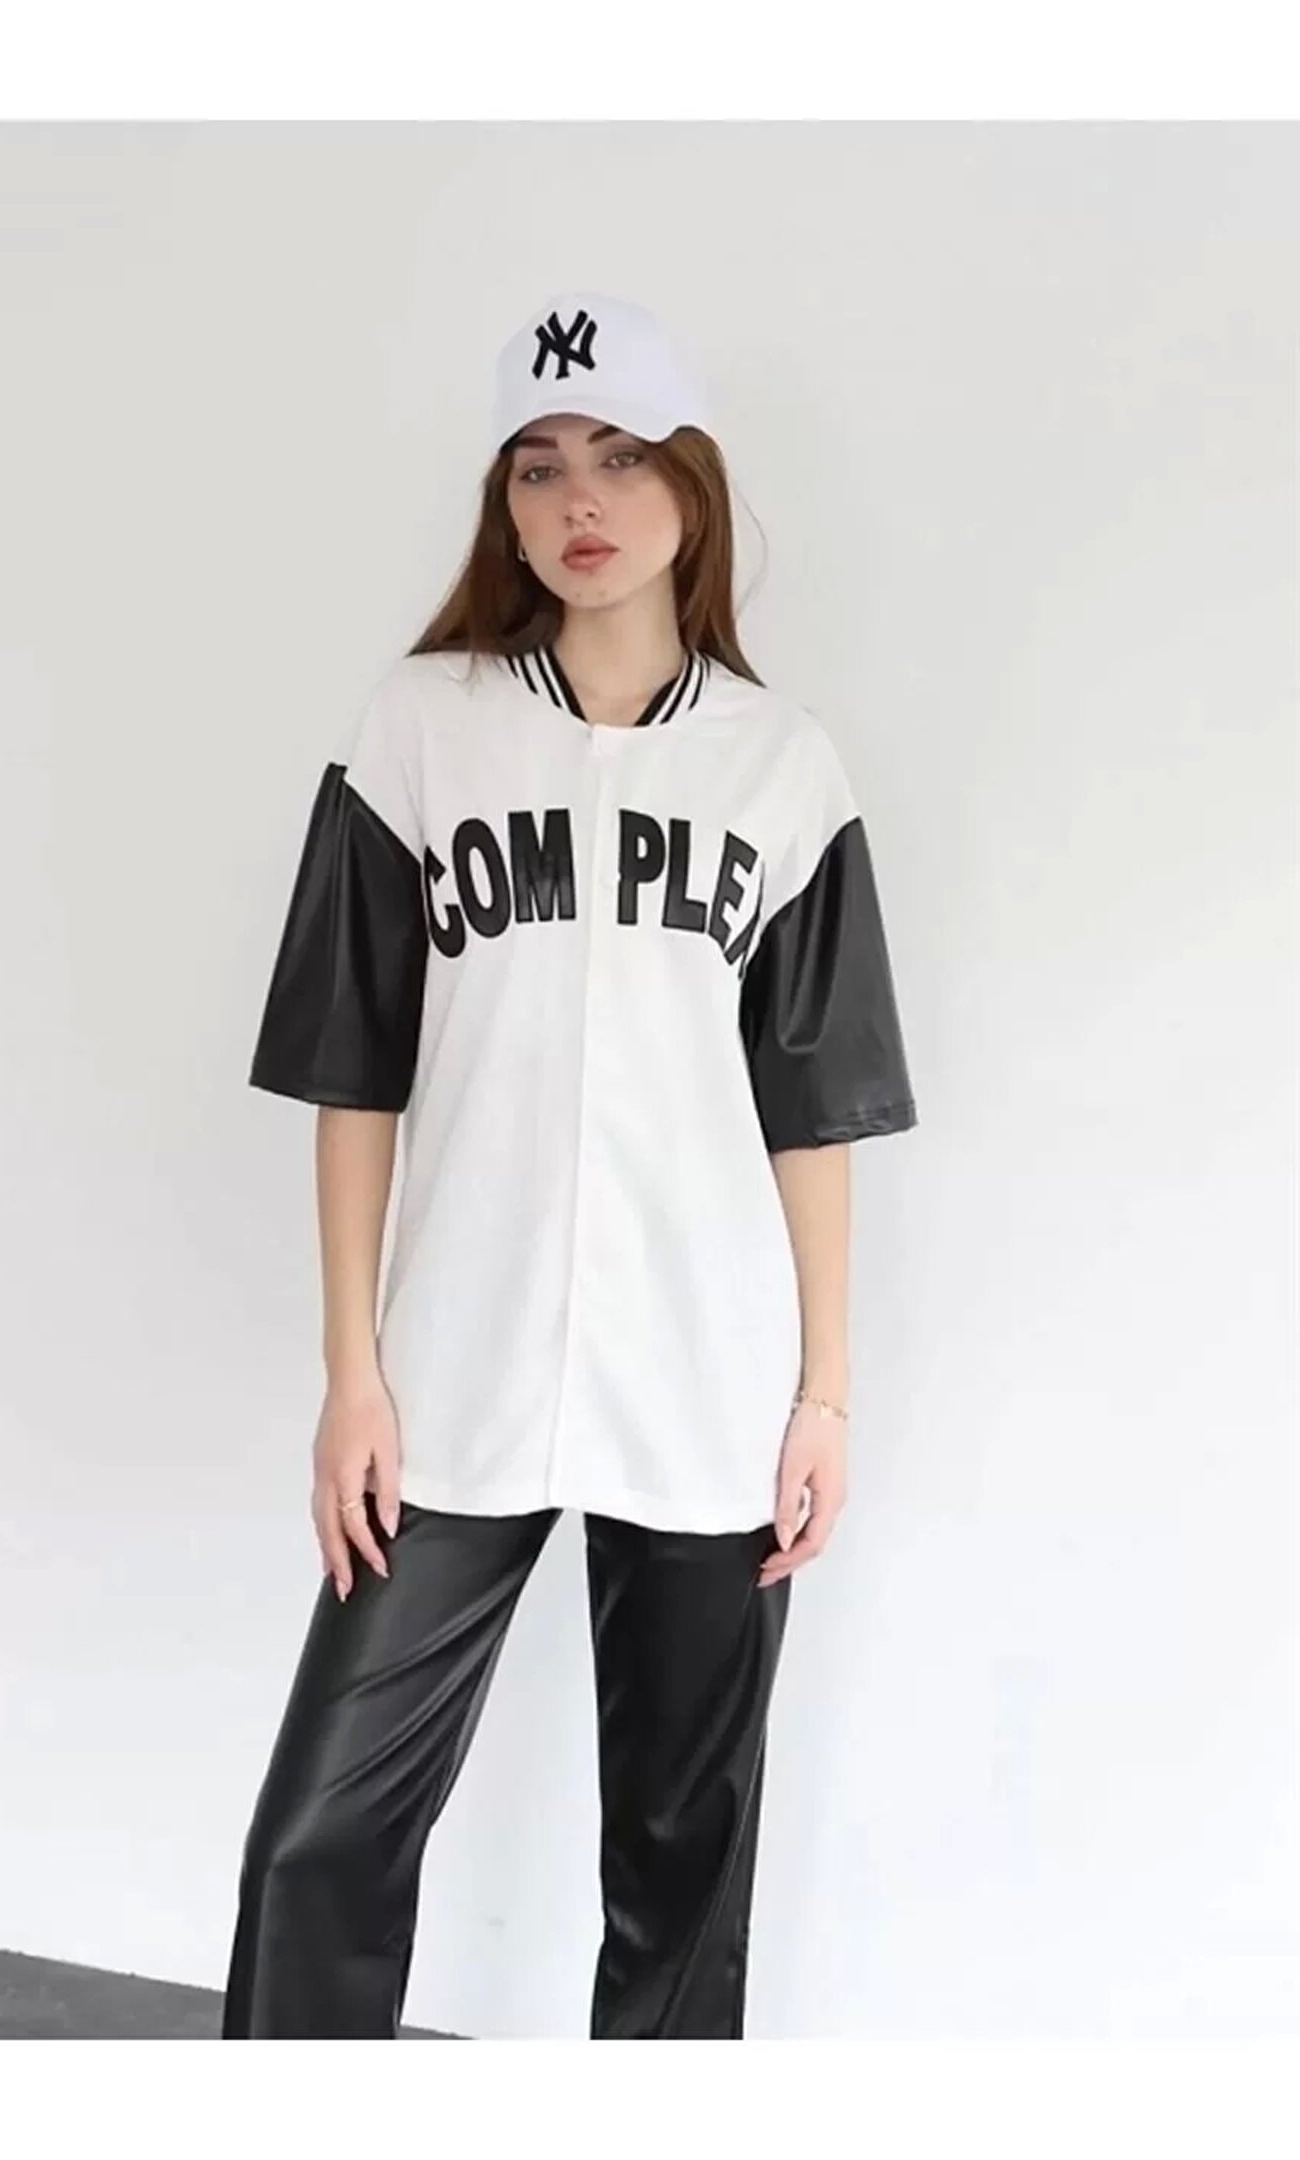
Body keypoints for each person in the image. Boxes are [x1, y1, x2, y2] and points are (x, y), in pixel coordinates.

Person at [220, 290, 918, 2041]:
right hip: (454, 1367)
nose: (577, 499)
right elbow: (353, 1077)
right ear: (505, 506)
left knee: (683, 1871)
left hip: (706, 1370)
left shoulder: (785, 770)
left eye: (617, 456)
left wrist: (825, 1393)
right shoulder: (420, 727)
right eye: (536, 466)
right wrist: (352, 1371)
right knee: (316, 1843)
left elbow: (811, 1109)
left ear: (692, 485)